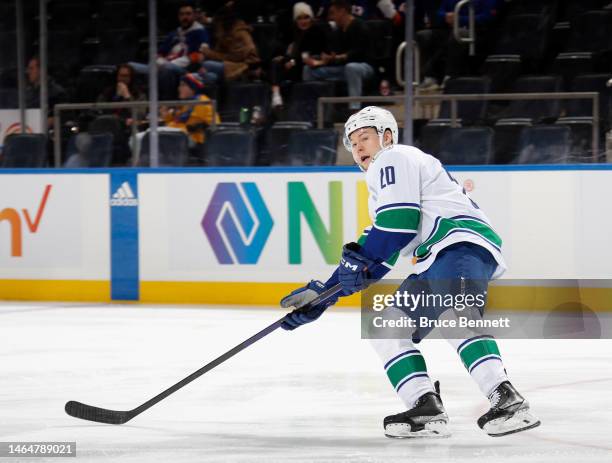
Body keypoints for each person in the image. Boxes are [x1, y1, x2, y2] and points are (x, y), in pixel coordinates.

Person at [279, 106, 541, 438]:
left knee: (455, 316)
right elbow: (379, 257)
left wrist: (354, 264)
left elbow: (396, 227)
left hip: (458, 242)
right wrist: (322, 295)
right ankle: (425, 406)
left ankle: (508, 399)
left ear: (387, 137)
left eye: (365, 137)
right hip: (433, 259)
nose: (358, 147)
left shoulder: (395, 158)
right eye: (352, 142)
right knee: (387, 326)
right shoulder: (382, 189)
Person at [302, 0, 374, 110]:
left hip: (364, 67)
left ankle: (355, 109)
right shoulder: (337, 31)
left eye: (333, 13)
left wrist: (339, 57)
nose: (331, 17)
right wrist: (321, 61)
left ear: (342, 11)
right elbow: (333, 55)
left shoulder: (360, 26)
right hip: (342, 68)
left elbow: (360, 53)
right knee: (308, 70)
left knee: (352, 68)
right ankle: (312, 110)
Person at [130, 1, 210, 100]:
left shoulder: (200, 33)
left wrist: (168, 63)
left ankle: (165, 104)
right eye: (182, 14)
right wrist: (158, 62)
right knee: (129, 66)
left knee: (166, 69)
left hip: (185, 69)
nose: (185, 17)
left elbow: (199, 56)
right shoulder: (174, 33)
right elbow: (160, 53)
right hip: (162, 65)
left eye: (188, 14)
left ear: (194, 15)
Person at [416, 0, 498, 90]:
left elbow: (487, 17)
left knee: (458, 34)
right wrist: (446, 16)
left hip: (478, 31)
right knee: (424, 36)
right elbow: (439, 13)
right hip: (452, 28)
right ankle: (430, 78)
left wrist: (459, 19)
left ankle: (450, 76)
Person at [269, 2, 331, 108]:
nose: (303, 21)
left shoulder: (317, 31)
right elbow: (295, 54)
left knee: (280, 68)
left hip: (310, 65)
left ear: (311, 18)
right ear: (295, 20)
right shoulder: (296, 33)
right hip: (297, 64)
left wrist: (291, 61)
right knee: (275, 63)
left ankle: (278, 97)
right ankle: (276, 96)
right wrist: (285, 59)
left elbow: (306, 55)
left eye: (306, 17)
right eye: (300, 18)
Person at [193, 5, 261, 84]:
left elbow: (235, 57)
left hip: (241, 66)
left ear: (223, 24)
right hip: (229, 64)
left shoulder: (239, 34)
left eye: (217, 25)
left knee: (207, 65)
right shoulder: (225, 35)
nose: (216, 29)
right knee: (209, 76)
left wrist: (209, 53)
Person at [161, 73, 220, 155]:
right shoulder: (188, 103)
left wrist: (169, 124)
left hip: (198, 142)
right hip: (184, 137)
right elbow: (178, 119)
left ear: (193, 88)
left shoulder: (202, 102)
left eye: (183, 85)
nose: (179, 88)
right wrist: (167, 115)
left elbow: (187, 125)